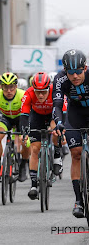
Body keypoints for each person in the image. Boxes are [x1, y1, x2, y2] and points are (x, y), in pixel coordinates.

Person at [52, 49, 89, 218]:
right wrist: (59, 122)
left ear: (85, 68)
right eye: (71, 73)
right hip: (75, 115)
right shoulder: (60, 79)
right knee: (76, 153)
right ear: (65, 71)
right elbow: (58, 105)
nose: (75, 77)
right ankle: (79, 200)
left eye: (78, 72)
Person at [20, 72, 66, 200]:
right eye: (37, 91)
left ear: (49, 88)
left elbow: (63, 110)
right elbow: (24, 114)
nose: (40, 95)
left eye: (43, 92)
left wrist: (61, 128)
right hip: (37, 116)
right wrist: (24, 132)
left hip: (52, 114)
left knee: (55, 129)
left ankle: (57, 156)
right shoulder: (28, 93)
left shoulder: (55, 91)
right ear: (33, 89)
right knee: (35, 149)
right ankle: (34, 185)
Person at [0, 72, 30, 182]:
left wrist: (25, 133)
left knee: (24, 140)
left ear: (16, 86)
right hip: (5, 118)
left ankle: (23, 165)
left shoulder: (23, 95)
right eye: (5, 88)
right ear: (1, 87)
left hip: (20, 118)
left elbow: (27, 116)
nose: (9, 91)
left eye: (11, 87)